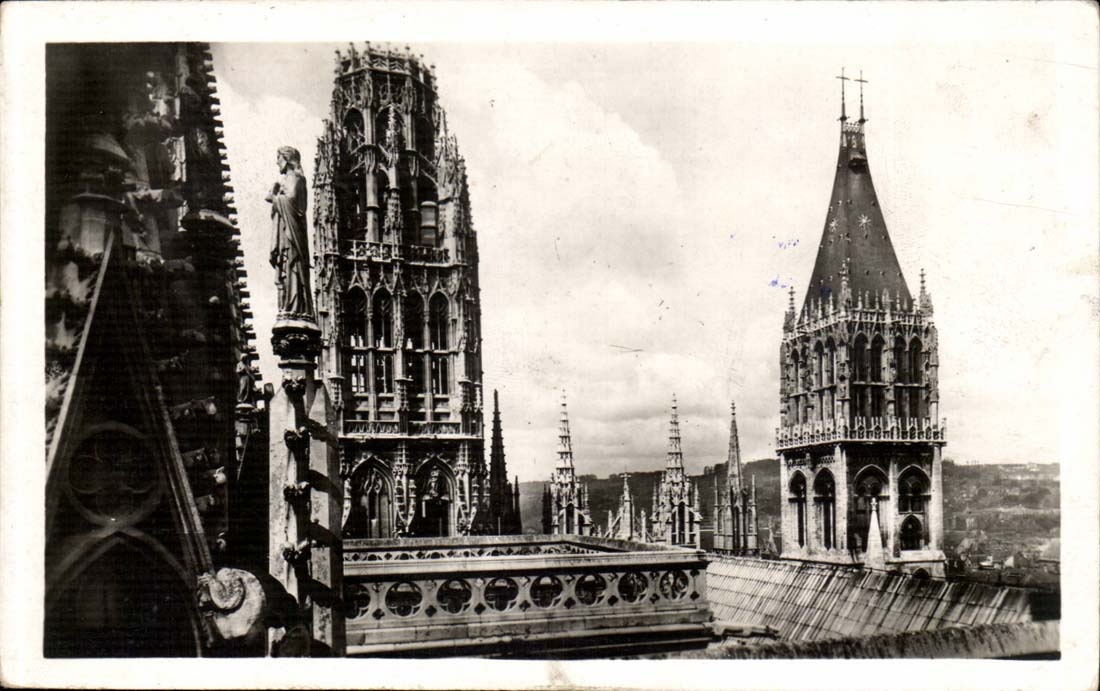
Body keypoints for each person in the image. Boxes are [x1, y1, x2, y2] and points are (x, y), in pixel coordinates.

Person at [266, 146, 314, 319]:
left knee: (292, 267)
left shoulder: (295, 177)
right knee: (287, 269)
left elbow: (292, 201)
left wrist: (274, 197)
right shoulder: (287, 179)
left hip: (292, 236)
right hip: (286, 233)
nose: (276, 162)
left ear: (286, 159)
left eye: (279, 158)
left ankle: (296, 306)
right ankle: (289, 305)